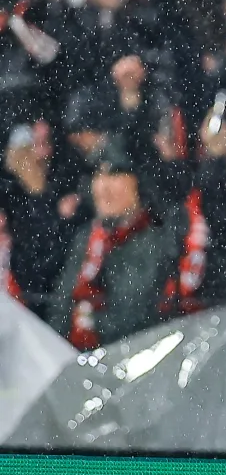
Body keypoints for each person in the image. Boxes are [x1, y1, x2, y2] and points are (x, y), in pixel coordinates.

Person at [48, 141, 176, 349]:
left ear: (138, 182)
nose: (103, 186)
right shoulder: (86, 236)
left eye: (115, 174)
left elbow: (134, 319)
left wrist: (93, 325)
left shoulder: (155, 240)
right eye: (98, 175)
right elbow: (60, 308)